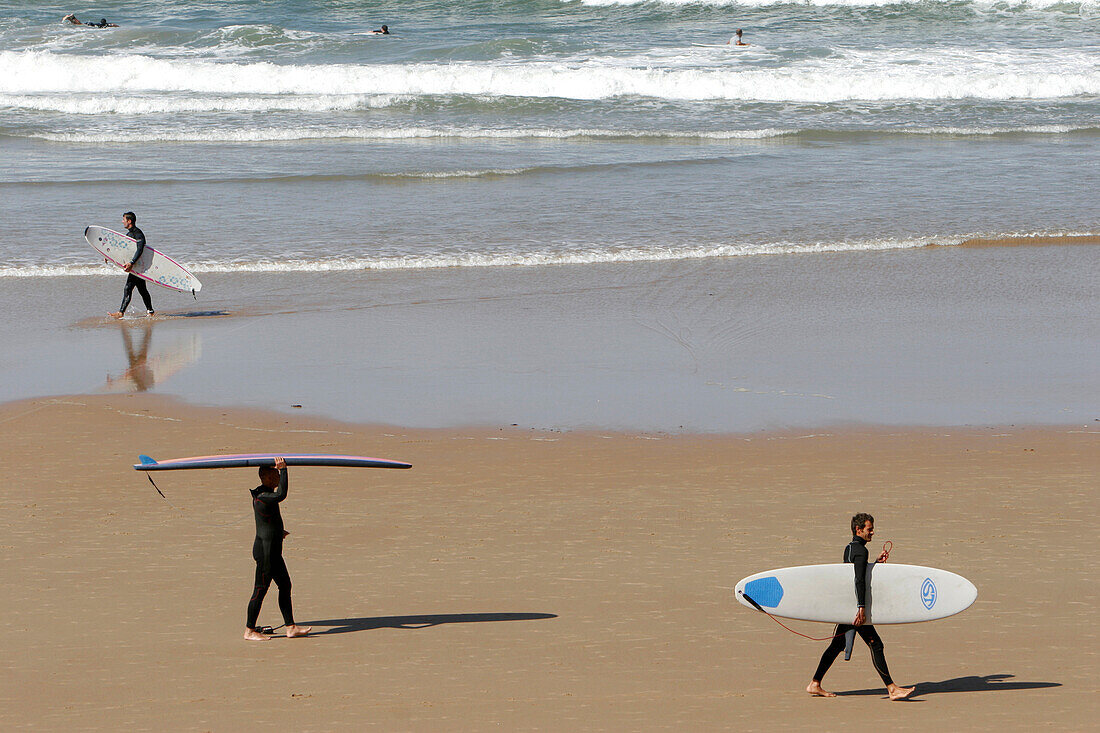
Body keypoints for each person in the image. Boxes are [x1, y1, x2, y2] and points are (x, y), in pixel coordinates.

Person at [806, 513, 914, 700]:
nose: (873, 532)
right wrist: (861, 607)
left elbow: (856, 573)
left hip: (847, 606)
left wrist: (876, 564)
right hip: (855, 610)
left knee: (837, 645)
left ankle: (815, 683)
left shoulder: (850, 548)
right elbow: (858, 580)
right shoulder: (861, 551)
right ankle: (892, 688)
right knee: (876, 644)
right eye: (869, 529)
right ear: (859, 529)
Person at [244, 457, 312, 641]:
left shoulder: (265, 493)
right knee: (260, 590)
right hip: (266, 552)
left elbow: (265, 520)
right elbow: (281, 495)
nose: (276, 478)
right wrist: (284, 470)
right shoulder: (263, 496)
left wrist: (278, 531)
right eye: (273, 475)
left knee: (285, 584)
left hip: (272, 549)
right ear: (264, 476)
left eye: (277, 474)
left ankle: (290, 627)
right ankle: (249, 630)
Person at [109, 212, 154, 318]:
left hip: (137, 266)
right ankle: (150, 311)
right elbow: (123, 250)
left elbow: (140, 249)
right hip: (136, 267)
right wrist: (109, 255)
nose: (122, 221)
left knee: (128, 288)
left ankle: (121, 312)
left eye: (123, 219)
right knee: (142, 289)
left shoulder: (138, 233)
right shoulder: (129, 235)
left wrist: (131, 263)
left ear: (129, 221)